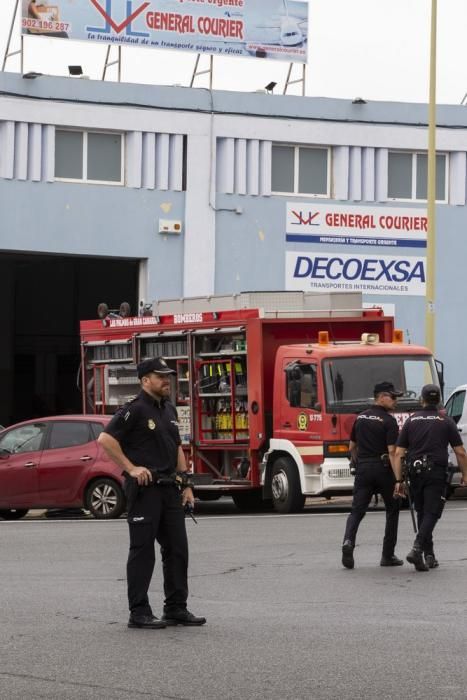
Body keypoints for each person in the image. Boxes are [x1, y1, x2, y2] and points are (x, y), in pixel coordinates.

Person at [98, 357, 206, 629]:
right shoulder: (133, 410)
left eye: (167, 376)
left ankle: (176, 608)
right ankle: (139, 611)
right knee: (142, 551)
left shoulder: (169, 409)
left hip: (170, 489)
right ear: (145, 380)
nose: (166, 380)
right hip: (145, 491)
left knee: (178, 550)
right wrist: (131, 468)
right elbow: (105, 440)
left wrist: (187, 484)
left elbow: (177, 447)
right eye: (161, 376)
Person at [394, 384, 467, 572]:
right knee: (432, 512)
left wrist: (399, 480)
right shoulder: (446, 421)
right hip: (435, 472)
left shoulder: (411, 421)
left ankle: (429, 555)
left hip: (415, 472)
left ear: (422, 399)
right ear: (439, 399)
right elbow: (460, 452)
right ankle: (418, 548)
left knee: (422, 512)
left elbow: (398, 452)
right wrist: (465, 475)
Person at [341, 381, 403, 569]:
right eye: (393, 397)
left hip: (364, 468)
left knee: (357, 510)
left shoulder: (360, 418)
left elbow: (352, 447)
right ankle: (387, 555)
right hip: (383, 468)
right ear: (382, 397)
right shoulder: (389, 421)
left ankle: (348, 542)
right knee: (393, 509)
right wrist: (399, 479)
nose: (395, 402)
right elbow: (393, 452)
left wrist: (358, 463)